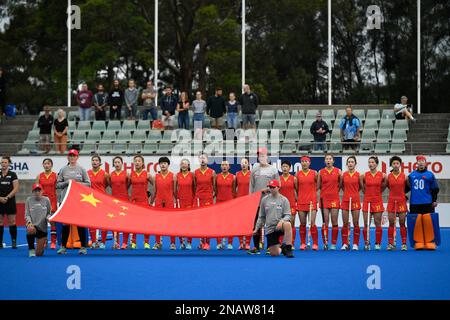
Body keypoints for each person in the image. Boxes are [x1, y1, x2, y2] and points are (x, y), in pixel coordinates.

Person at [56, 149, 91, 255]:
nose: (72, 157)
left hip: (78, 201)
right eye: (70, 156)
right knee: (65, 224)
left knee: (80, 224)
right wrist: (67, 182)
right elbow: (57, 185)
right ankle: (63, 246)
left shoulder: (82, 169)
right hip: (65, 200)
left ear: (77, 157)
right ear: (68, 157)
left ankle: (83, 247)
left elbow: (88, 184)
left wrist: (77, 184)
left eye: (74, 156)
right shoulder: (63, 170)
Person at [248, 147, 280, 255]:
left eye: (263, 155)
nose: (261, 157)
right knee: (256, 224)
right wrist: (250, 200)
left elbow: (278, 185)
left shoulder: (273, 170)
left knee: (271, 224)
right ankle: (256, 247)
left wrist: (269, 190)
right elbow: (251, 187)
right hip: (256, 202)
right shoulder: (254, 170)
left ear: (267, 157)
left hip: (270, 201)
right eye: (259, 155)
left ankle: (270, 246)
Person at [253, 179, 294, 258]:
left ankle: (288, 248)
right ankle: (282, 248)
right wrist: (256, 229)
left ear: (278, 188)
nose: (271, 189)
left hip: (280, 226)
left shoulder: (284, 200)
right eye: (269, 187)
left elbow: (288, 215)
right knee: (274, 254)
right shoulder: (264, 200)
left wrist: (282, 221)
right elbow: (261, 216)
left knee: (288, 224)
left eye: (273, 187)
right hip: (270, 229)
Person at [406, 155, 440, 250]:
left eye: (423, 161)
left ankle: (430, 241)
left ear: (425, 163)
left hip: (427, 202)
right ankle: (419, 242)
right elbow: (406, 188)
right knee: (417, 223)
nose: (421, 162)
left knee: (428, 222)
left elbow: (435, 189)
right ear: (416, 163)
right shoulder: (411, 175)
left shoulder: (430, 175)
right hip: (415, 203)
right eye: (419, 161)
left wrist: (434, 200)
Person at [361, 156, 387, 251]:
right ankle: (367, 242)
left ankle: (378, 243)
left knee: (377, 223)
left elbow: (383, 187)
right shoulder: (364, 175)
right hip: (367, 201)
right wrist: (368, 194)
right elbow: (362, 187)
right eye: (369, 162)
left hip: (377, 201)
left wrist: (377, 194)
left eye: (372, 162)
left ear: (376, 164)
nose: (370, 164)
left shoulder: (383, 175)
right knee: (366, 224)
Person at [151, 157, 177, 250]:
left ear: (168, 165)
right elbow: (154, 191)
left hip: (169, 202)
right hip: (158, 202)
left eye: (165, 163)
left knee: (171, 223)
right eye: (161, 163)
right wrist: (151, 203)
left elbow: (174, 191)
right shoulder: (155, 177)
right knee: (158, 223)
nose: (163, 165)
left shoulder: (173, 176)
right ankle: (158, 243)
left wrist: (176, 202)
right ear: (159, 165)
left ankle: (173, 243)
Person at [318, 154, 342, 250]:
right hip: (324, 199)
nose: (328, 160)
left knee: (334, 221)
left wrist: (334, 191)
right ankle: (325, 243)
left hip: (334, 198)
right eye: (327, 159)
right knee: (325, 222)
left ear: (333, 161)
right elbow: (318, 186)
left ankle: (333, 243)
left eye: (330, 159)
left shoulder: (338, 171)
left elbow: (340, 184)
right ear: (324, 161)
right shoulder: (321, 172)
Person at [87, 155, 110, 249]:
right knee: (91, 221)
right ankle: (93, 242)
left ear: (100, 162)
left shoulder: (105, 174)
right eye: (93, 160)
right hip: (91, 200)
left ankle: (103, 242)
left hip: (102, 200)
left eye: (96, 160)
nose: (94, 162)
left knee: (103, 221)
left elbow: (107, 184)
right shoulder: (87, 173)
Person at [129, 155, 153, 249]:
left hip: (144, 202)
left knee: (146, 223)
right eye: (136, 161)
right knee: (134, 223)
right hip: (134, 202)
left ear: (142, 163)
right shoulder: (131, 174)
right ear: (134, 163)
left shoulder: (147, 174)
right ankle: (134, 242)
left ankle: (146, 243)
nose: (137, 162)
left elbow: (155, 185)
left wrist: (151, 198)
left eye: (139, 161)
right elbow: (126, 187)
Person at [296, 156, 319, 251]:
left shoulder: (315, 173)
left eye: (306, 161)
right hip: (301, 202)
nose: (304, 163)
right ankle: (302, 243)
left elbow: (317, 186)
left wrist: (312, 194)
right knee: (302, 223)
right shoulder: (298, 174)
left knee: (312, 223)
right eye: (303, 161)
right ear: (301, 163)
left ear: (309, 163)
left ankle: (315, 243)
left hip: (311, 202)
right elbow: (296, 188)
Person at [194, 154, 216, 250]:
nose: (202, 160)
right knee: (200, 222)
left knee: (207, 221)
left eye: (204, 158)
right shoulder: (195, 172)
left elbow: (214, 187)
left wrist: (210, 196)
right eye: (201, 158)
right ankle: (201, 242)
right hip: (199, 199)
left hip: (208, 199)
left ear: (207, 160)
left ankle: (207, 243)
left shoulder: (212, 172)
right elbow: (195, 186)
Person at [387, 156, 408, 251]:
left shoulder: (405, 176)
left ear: (400, 165)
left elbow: (409, 187)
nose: (395, 165)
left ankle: (403, 244)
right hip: (392, 201)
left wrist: (405, 196)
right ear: (391, 165)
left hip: (402, 202)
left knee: (402, 223)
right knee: (391, 223)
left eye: (397, 163)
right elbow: (386, 187)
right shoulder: (388, 177)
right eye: (394, 163)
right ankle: (390, 243)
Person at [341, 156, 362, 251]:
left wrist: (354, 193)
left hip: (355, 200)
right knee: (345, 223)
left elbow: (361, 187)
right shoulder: (343, 175)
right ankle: (345, 243)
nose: (350, 163)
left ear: (355, 164)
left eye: (352, 162)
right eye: (349, 162)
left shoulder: (359, 175)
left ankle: (355, 244)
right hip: (345, 200)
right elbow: (342, 186)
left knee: (356, 223)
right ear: (347, 164)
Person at [36, 158, 58, 249]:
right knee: (42, 223)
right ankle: (43, 242)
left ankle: (53, 242)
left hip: (52, 200)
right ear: (43, 165)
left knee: (52, 221)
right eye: (45, 164)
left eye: (48, 163)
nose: (46, 165)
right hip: (42, 201)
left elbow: (58, 188)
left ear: (51, 165)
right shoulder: (39, 176)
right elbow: (36, 189)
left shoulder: (56, 175)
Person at [25, 183, 51, 257]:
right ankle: (31, 249)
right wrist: (29, 222)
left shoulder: (46, 200)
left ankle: (42, 242)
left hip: (43, 228)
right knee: (30, 229)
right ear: (33, 192)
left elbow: (49, 213)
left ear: (42, 191)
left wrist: (49, 218)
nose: (37, 192)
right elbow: (27, 214)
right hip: (33, 225)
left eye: (39, 190)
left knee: (39, 254)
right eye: (35, 191)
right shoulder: (29, 200)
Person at [109, 156, 130, 250]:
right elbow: (110, 185)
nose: (117, 164)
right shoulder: (110, 175)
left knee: (125, 222)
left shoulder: (127, 174)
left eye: (118, 162)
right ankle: (116, 242)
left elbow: (128, 185)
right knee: (114, 222)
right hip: (114, 201)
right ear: (113, 164)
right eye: (115, 162)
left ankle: (125, 242)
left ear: (122, 163)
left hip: (124, 201)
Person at [215, 160, 236, 250]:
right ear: (220, 167)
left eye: (226, 165)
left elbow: (234, 190)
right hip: (219, 202)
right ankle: (219, 243)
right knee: (219, 223)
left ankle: (230, 243)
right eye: (222, 165)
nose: (224, 166)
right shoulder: (216, 176)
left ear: (229, 167)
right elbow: (215, 189)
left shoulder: (233, 177)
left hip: (229, 203)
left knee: (229, 223)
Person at [175, 158, 195, 250]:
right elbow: (175, 189)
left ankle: (189, 243)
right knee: (179, 223)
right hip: (180, 201)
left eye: (185, 164)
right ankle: (181, 242)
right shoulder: (177, 175)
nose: (183, 165)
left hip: (190, 201)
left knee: (189, 223)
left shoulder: (192, 175)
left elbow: (194, 188)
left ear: (189, 166)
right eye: (182, 163)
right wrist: (177, 199)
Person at [0, 156, 19, 249]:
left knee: (12, 222)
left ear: (9, 164)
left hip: (10, 201)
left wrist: (7, 197)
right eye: (2, 162)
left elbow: (16, 188)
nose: (3, 164)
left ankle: (14, 242)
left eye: (5, 162)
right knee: (0, 222)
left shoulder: (13, 174)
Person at [279, 160, 297, 246]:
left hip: (291, 204)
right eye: (283, 166)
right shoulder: (278, 179)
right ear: (281, 168)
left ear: (290, 168)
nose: (285, 168)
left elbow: (297, 191)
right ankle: (281, 243)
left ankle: (291, 243)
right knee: (281, 224)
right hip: (281, 205)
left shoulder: (294, 179)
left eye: (286, 167)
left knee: (291, 224)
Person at [235, 158, 251, 250]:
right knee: (240, 223)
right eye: (242, 163)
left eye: (245, 163)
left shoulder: (252, 174)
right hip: (239, 201)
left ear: (248, 164)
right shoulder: (237, 174)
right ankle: (241, 243)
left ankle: (248, 243)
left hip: (249, 201)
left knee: (248, 223)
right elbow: (234, 188)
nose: (244, 164)